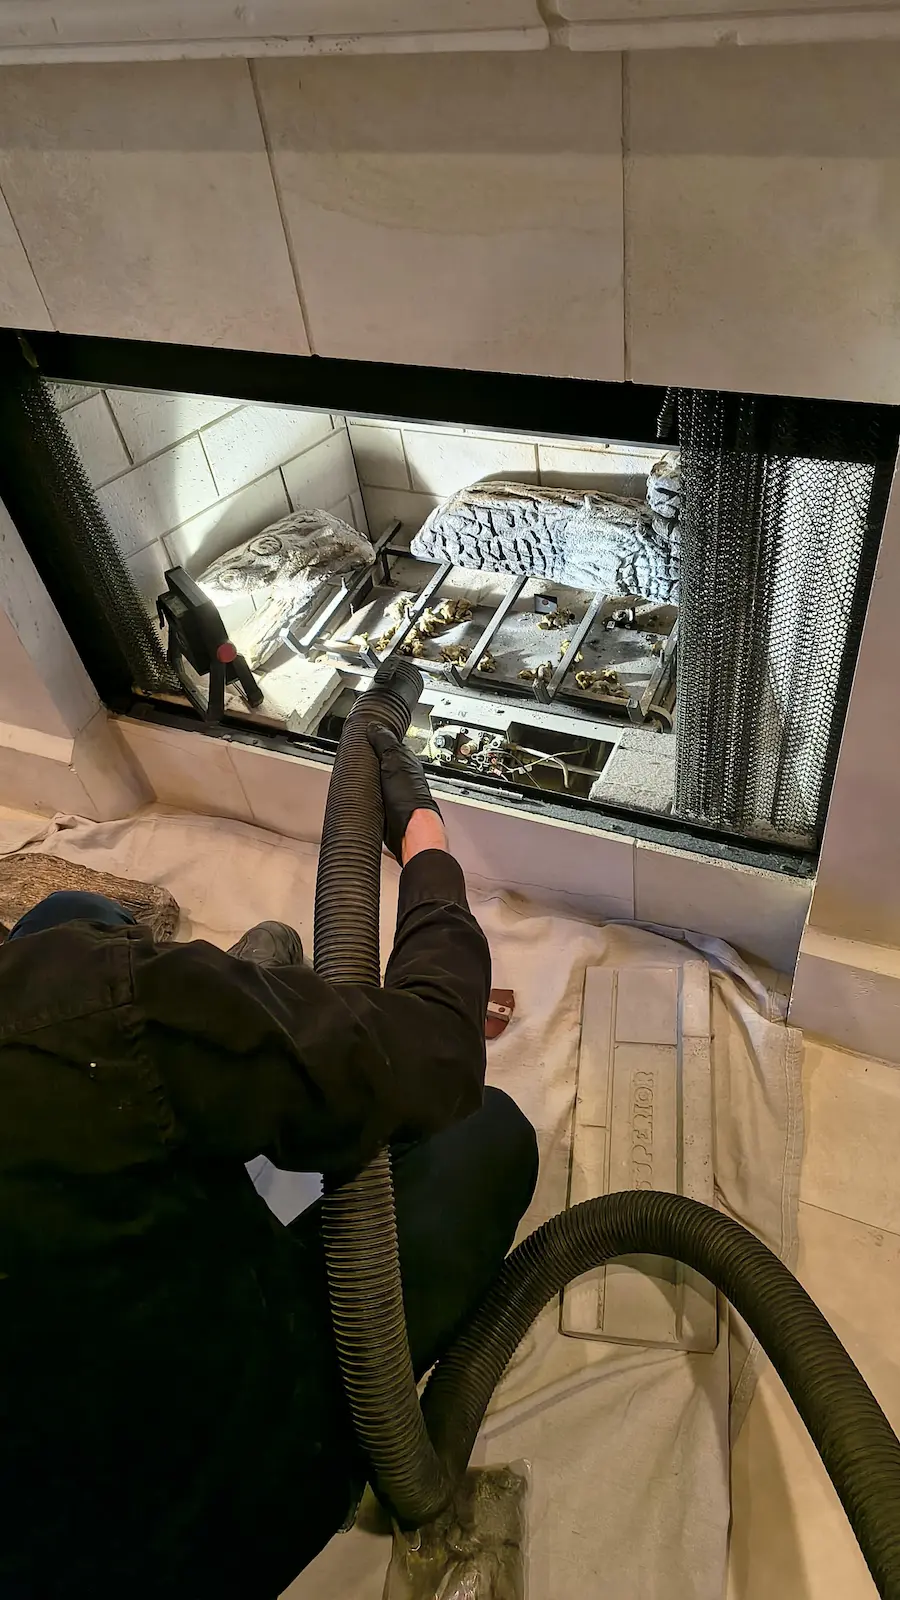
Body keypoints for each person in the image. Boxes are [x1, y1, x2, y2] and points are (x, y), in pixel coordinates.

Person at [0, 724, 538, 1600]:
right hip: (196, 1513)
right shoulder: (77, 1014)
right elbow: (438, 1050)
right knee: (490, 1136)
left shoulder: (67, 1008)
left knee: (65, 918)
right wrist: (429, 850)